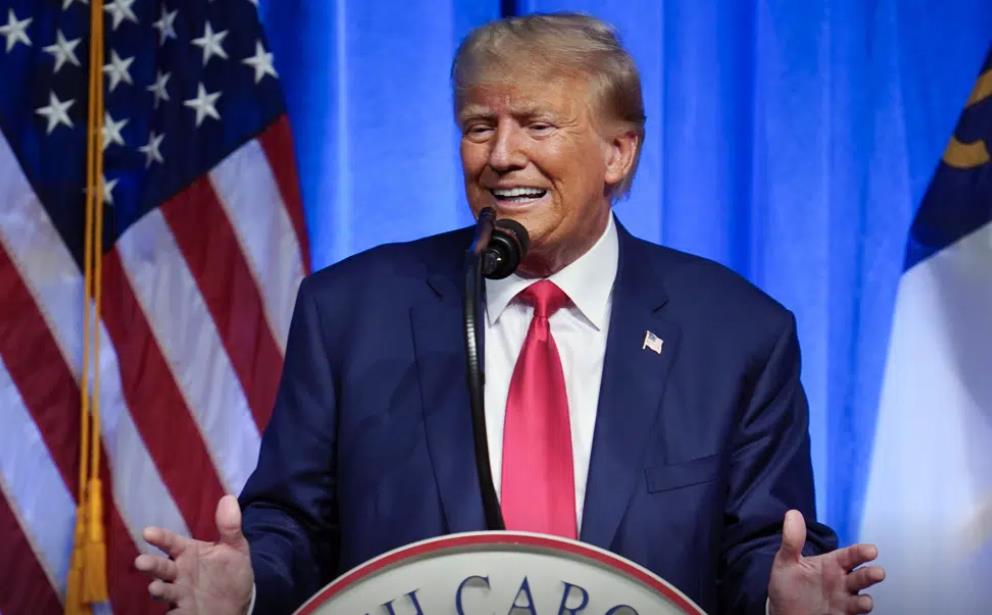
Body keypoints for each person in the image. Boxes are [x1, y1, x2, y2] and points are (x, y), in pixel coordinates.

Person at [135, 13, 885, 615]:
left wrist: (777, 600)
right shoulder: (350, 310)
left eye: (537, 124)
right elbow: (293, 526)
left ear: (619, 152)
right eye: (478, 125)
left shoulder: (737, 333)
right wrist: (249, 585)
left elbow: (760, 548)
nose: (501, 155)